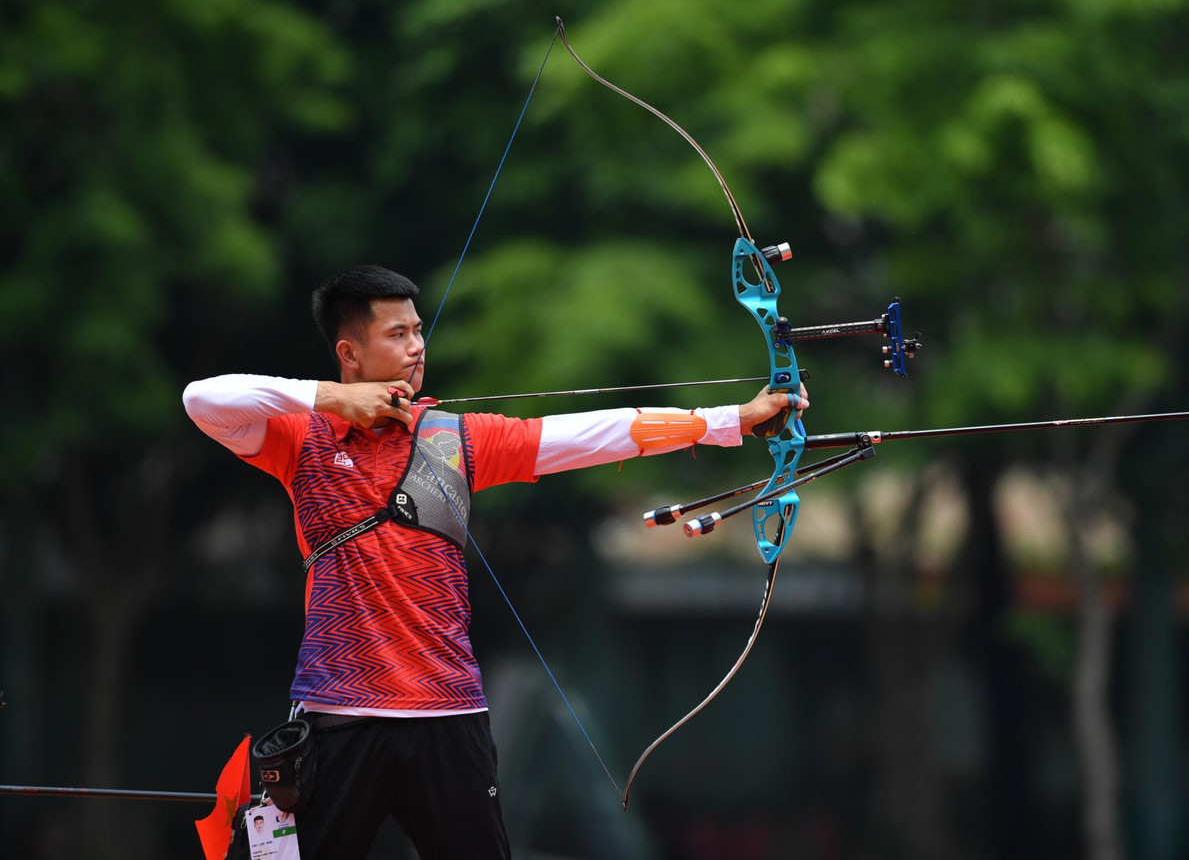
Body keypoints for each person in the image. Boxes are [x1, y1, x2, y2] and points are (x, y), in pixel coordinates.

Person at [183, 265, 808, 859]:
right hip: (340, 717)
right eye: (396, 334)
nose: (416, 347)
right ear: (349, 353)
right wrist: (329, 401)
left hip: (449, 718)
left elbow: (598, 433)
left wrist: (734, 421)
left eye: (418, 330)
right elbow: (202, 399)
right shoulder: (299, 439)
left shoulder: (454, 439)